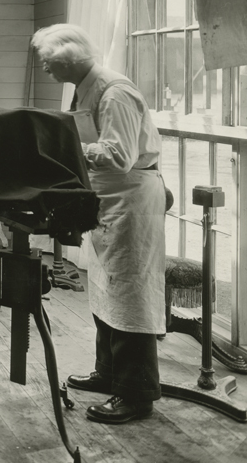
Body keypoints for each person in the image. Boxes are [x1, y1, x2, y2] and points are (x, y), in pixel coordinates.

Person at [31, 23, 165, 425]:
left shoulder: (114, 91)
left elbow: (120, 155)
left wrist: (63, 145)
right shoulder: (87, 86)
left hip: (131, 199)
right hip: (108, 198)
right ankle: (109, 372)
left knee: (131, 294)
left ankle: (136, 393)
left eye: (48, 60)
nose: (45, 67)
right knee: (106, 286)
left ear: (69, 56)